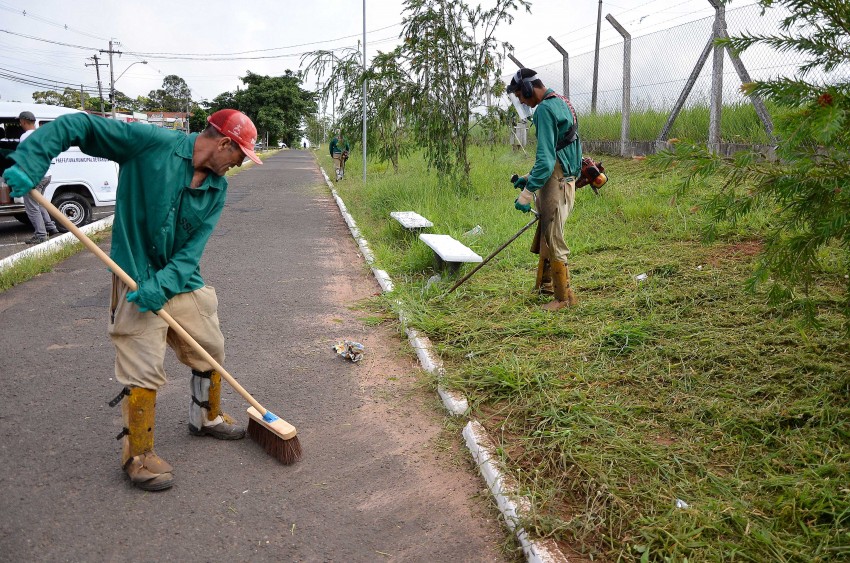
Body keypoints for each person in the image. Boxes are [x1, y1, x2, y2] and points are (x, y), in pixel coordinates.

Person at [4, 109, 263, 491]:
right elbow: (80, 125)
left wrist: (165, 283)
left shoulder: (217, 189)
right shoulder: (150, 143)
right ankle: (138, 455)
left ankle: (206, 418)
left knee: (210, 348)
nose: (238, 164)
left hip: (179, 279)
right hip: (134, 277)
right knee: (142, 366)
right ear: (223, 142)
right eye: (239, 155)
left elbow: (192, 250)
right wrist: (31, 159)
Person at [506, 68, 583, 311]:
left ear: (529, 89)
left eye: (521, 95)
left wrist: (526, 194)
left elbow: (546, 161)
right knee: (547, 231)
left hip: (556, 182)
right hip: (567, 178)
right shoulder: (562, 102)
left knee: (554, 237)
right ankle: (546, 286)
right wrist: (529, 177)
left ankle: (563, 299)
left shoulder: (544, 110)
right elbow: (558, 150)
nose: (521, 101)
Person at [17, 111, 60, 244]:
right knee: (40, 203)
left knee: (32, 207)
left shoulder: (25, 137)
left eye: (20, 121)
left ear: (23, 121)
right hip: (47, 174)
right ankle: (51, 228)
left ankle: (41, 235)